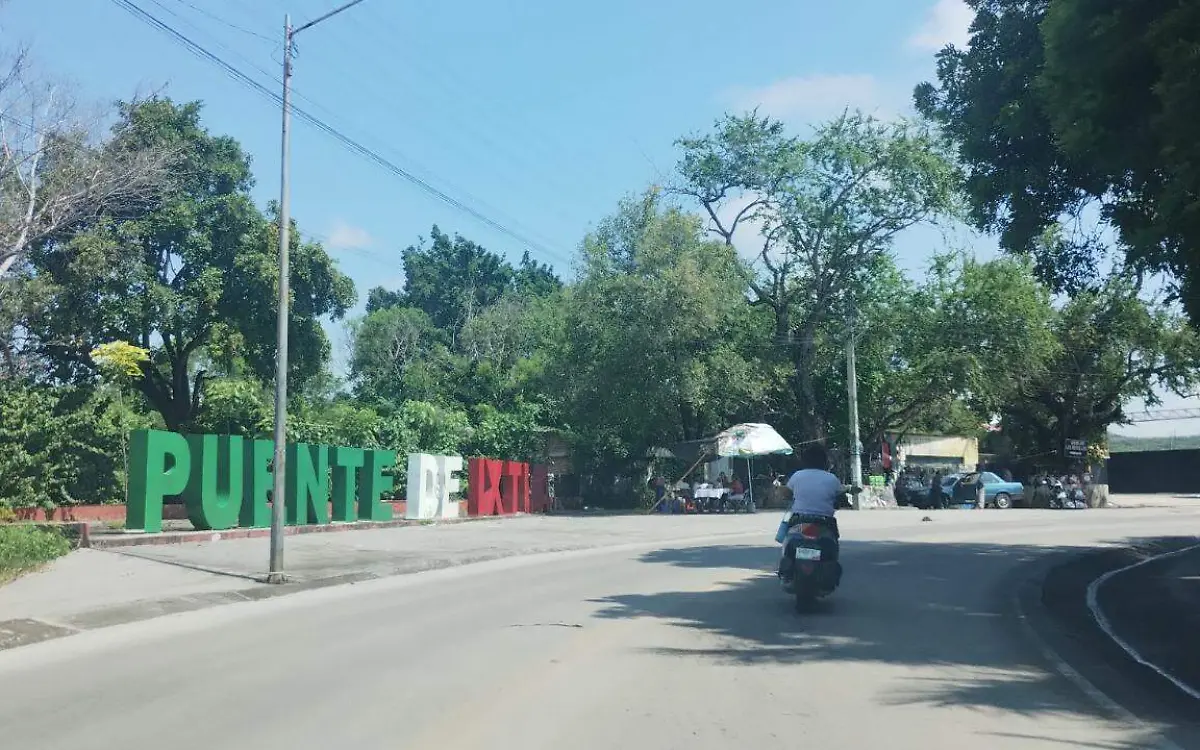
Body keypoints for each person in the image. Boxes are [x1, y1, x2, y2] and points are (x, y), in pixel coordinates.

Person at [777, 443, 843, 578]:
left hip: (799, 519)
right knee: (833, 543)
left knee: (788, 541)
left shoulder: (797, 476)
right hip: (825, 522)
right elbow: (840, 499)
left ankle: (787, 568)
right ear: (825, 461)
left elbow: (787, 494)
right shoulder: (832, 479)